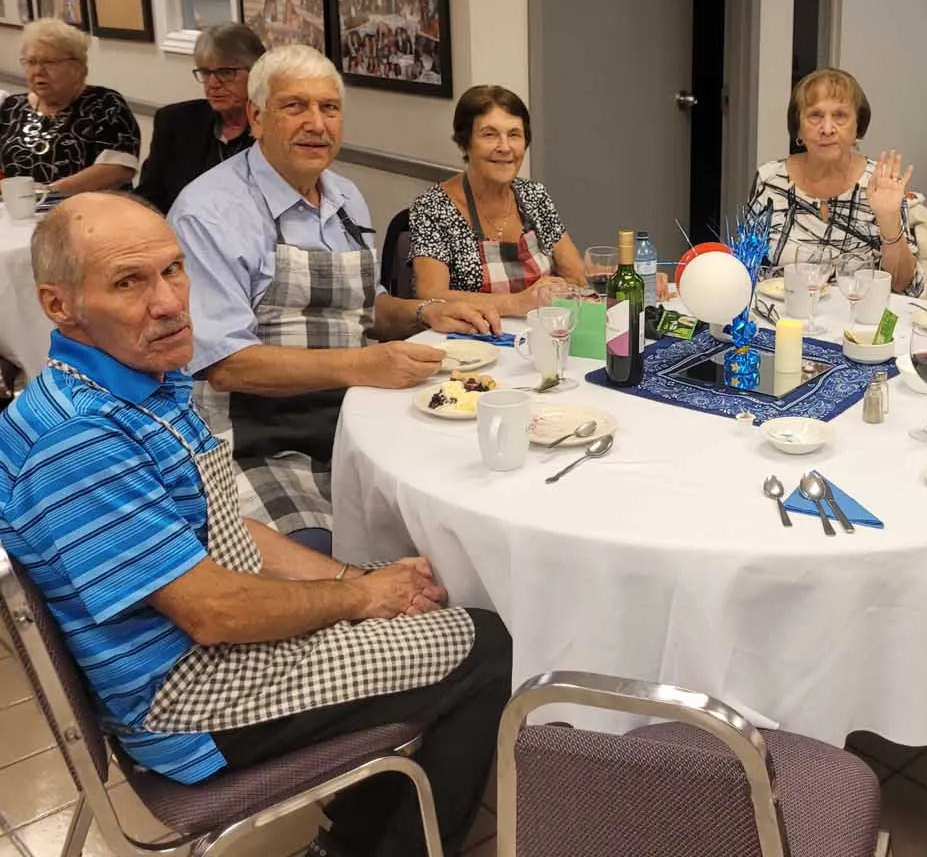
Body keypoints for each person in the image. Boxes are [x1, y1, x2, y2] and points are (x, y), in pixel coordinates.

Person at [0, 193, 510, 857]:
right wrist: (359, 598)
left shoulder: (130, 384)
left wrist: (357, 579)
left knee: (423, 609)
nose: (168, 301)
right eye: (129, 282)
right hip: (191, 700)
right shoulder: (83, 439)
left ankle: (353, 842)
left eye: (173, 271)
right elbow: (213, 613)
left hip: (202, 652)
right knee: (488, 644)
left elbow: (224, 528)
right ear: (58, 304)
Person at [167, 46, 493, 552]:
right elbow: (227, 364)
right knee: (323, 555)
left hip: (357, 422)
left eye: (330, 108)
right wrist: (364, 366)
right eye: (295, 106)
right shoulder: (209, 212)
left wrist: (426, 311)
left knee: (465, 517)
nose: (316, 124)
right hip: (254, 441)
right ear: (255, 116)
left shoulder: (344, 196)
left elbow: (366, 306)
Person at [408, 85, 586, 315]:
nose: (504, 147)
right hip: (470, 341)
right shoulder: (432, 207)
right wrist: (516, 303)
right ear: (464, 143)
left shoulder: (535, 196)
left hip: (539, 334)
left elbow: (576, 276)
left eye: (514, 135)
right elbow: (431, 295)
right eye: (490, 135)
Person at [746, 68, 921, 293]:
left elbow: (903, 286)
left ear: (857, 126)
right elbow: (746, 269)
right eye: (815, 116)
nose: (827, 129)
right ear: (798, 127)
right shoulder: (771, 181)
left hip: (859, 320)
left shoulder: (879, 182)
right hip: (784, 318)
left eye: (840, 116)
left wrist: (889, 221)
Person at [135, 23, 265, 214]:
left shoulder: (272, 128)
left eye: (226, 73)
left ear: (256, 73)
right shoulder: (175, 121)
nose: (212, 84)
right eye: (205, 72)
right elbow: (149, 197)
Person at [0, 18, 139, 194]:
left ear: (78, 67)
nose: (38, 71)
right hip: (13, 213)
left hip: (87, 211)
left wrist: (48, 193)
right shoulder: (11, 107)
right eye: (31, 62)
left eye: (49, 62)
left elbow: (118, 169)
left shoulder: (105, 104)